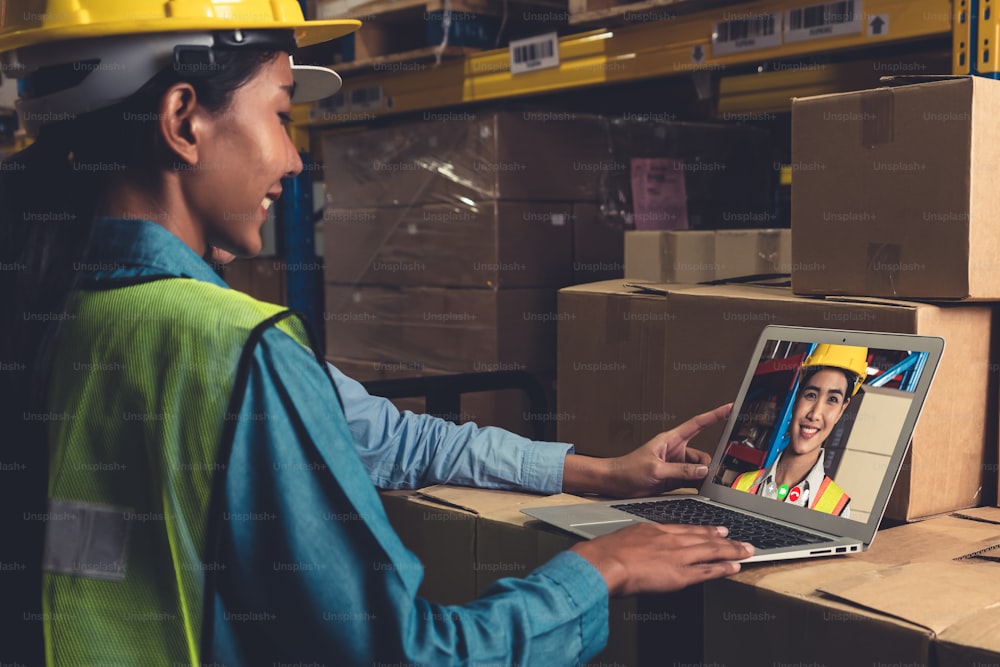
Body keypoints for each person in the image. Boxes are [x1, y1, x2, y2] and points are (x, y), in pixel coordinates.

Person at [0, 2, 753, 665]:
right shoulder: (236, 346)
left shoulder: (52, 305)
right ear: (183, 120)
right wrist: (600, 571)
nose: (294, 161)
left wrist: (602, 473)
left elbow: (387, 437)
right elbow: (404, 652)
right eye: (282, 116)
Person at [730, 344, 869, 518]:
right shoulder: (742, 485)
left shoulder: (838, 510)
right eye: (811, 395)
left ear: (842, 410)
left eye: (832, 399)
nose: (815, 414)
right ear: (797, 398)